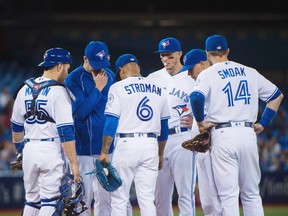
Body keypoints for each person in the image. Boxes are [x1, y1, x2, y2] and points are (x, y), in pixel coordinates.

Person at [190, 34, 284, 216]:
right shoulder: (249, 71)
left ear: (207, 54)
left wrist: (201, 122)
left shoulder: (208, 73)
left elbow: (196, 97)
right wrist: (263, 123)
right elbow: (276, 96)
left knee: (228, 196)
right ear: (228, 51)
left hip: (224, 135)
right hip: (248, 134)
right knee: (252, 194)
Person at [10, 47, 80, 215]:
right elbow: (66, 132)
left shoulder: (24, 88)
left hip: (29, 150)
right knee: (51, 200)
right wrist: (74, 164)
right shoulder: (59, 91)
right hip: (50, 150)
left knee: (32, 200)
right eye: (67, 67)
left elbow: (16, 127)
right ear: (59, 66)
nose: (67, 71)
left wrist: (20, 152)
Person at [98, 53, 170, 216]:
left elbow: (111, 122)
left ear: (122, 71)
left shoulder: (117, 87)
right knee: (146, 198)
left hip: (126, 145)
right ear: (138, 68)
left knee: (119, 198)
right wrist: (160, 154)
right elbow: (164, 127)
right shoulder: (159, 89)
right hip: (150, 145)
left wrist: (104, 152)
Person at [147, 37, 198, 216]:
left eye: (169, 56)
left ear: (179, 54)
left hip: (183, 139)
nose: (165, 60)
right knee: (160, 196)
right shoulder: (152, 78)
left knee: (185, 193)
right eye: (162, 56)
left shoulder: (191, 77)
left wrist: (198, 120)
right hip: (159, 140)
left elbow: (207, 106)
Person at [64, 41, 116, 216]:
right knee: (82, 200)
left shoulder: (110, 74)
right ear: (85, 59)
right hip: (83, 150)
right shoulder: (72, 79)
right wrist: (98, 88)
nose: (99, 69)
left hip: (107, 150)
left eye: (103, 64)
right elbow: (80, 113)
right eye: (95, 64)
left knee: (107, 199)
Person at [179, 48, 218, 216]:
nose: (188, 74)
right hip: (202, 150)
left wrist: (202, 126)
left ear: (202, 64)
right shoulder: (201, 83)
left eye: (190, 69)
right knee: (208, 203)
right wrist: (195, 121)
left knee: (218, 200)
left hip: (215, 147)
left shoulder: (216, 80)